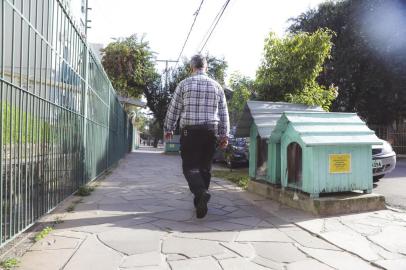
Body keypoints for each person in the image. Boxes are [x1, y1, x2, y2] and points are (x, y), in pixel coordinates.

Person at [164, 54, 230, 219]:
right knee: (205, 168)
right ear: (206, 67)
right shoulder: (217, 86)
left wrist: (168, 128)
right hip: (210, 131)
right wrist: (224, 135)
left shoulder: (184, 84)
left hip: (190, 131)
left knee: (190, 167)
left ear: (192, 67)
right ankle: (200, 201)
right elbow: (223, 113)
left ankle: (201, 192)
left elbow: (174, 108)